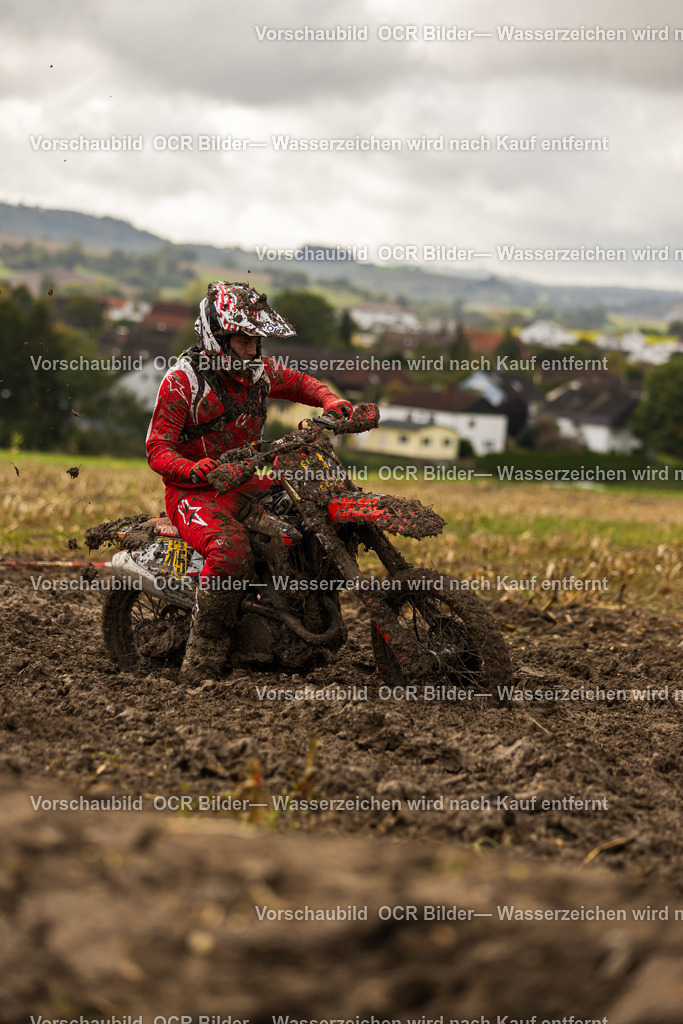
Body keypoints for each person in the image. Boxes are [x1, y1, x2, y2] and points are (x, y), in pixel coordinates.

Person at [146, 281, 352, 681]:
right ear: (218, 337)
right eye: (244, 340)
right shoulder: (182, 382)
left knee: (310, 516)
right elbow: (157, 448)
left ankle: (298, 618)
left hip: (248, 479)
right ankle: (203, 655)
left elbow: (298, 383)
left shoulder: (258, 371)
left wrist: (331, 400)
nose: (253, 349)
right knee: (231, 549)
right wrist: (192, 469)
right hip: (196, 493)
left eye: (256, 340)